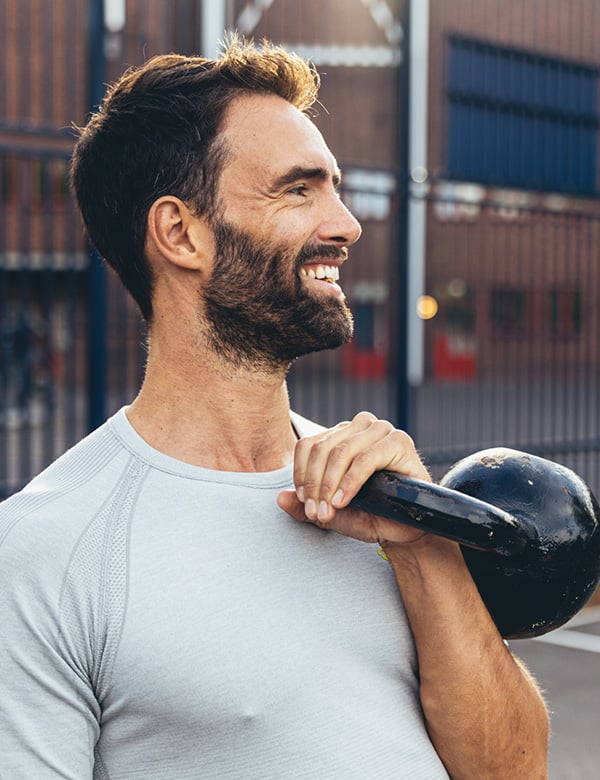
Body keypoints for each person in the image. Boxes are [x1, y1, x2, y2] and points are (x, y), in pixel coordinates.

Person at [0, 37, 548, 779]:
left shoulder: (386, 501)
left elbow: (513, 770)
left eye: (337, 186)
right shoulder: (44, 550)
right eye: (299, 189)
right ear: (180, 232)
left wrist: (425, 554)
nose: (347, 225)